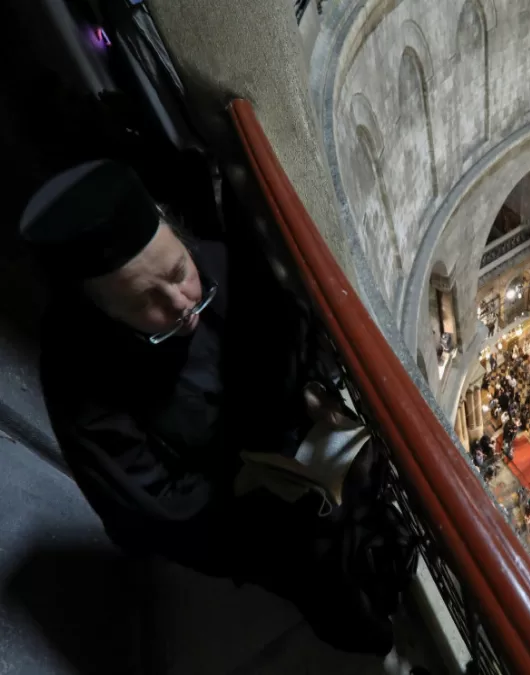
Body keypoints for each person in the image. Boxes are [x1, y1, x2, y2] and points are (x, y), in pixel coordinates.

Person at [22, 161, 416, 657]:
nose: (183, 306)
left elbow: (292, 331)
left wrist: (313, 389)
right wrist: (251, 489)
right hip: (226, 507)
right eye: (147, 301)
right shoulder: (79, 381)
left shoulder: (218, 264)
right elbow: (152, 501)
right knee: (316, 572)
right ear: (101, 310)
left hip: (295, 452)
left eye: (178, 273)